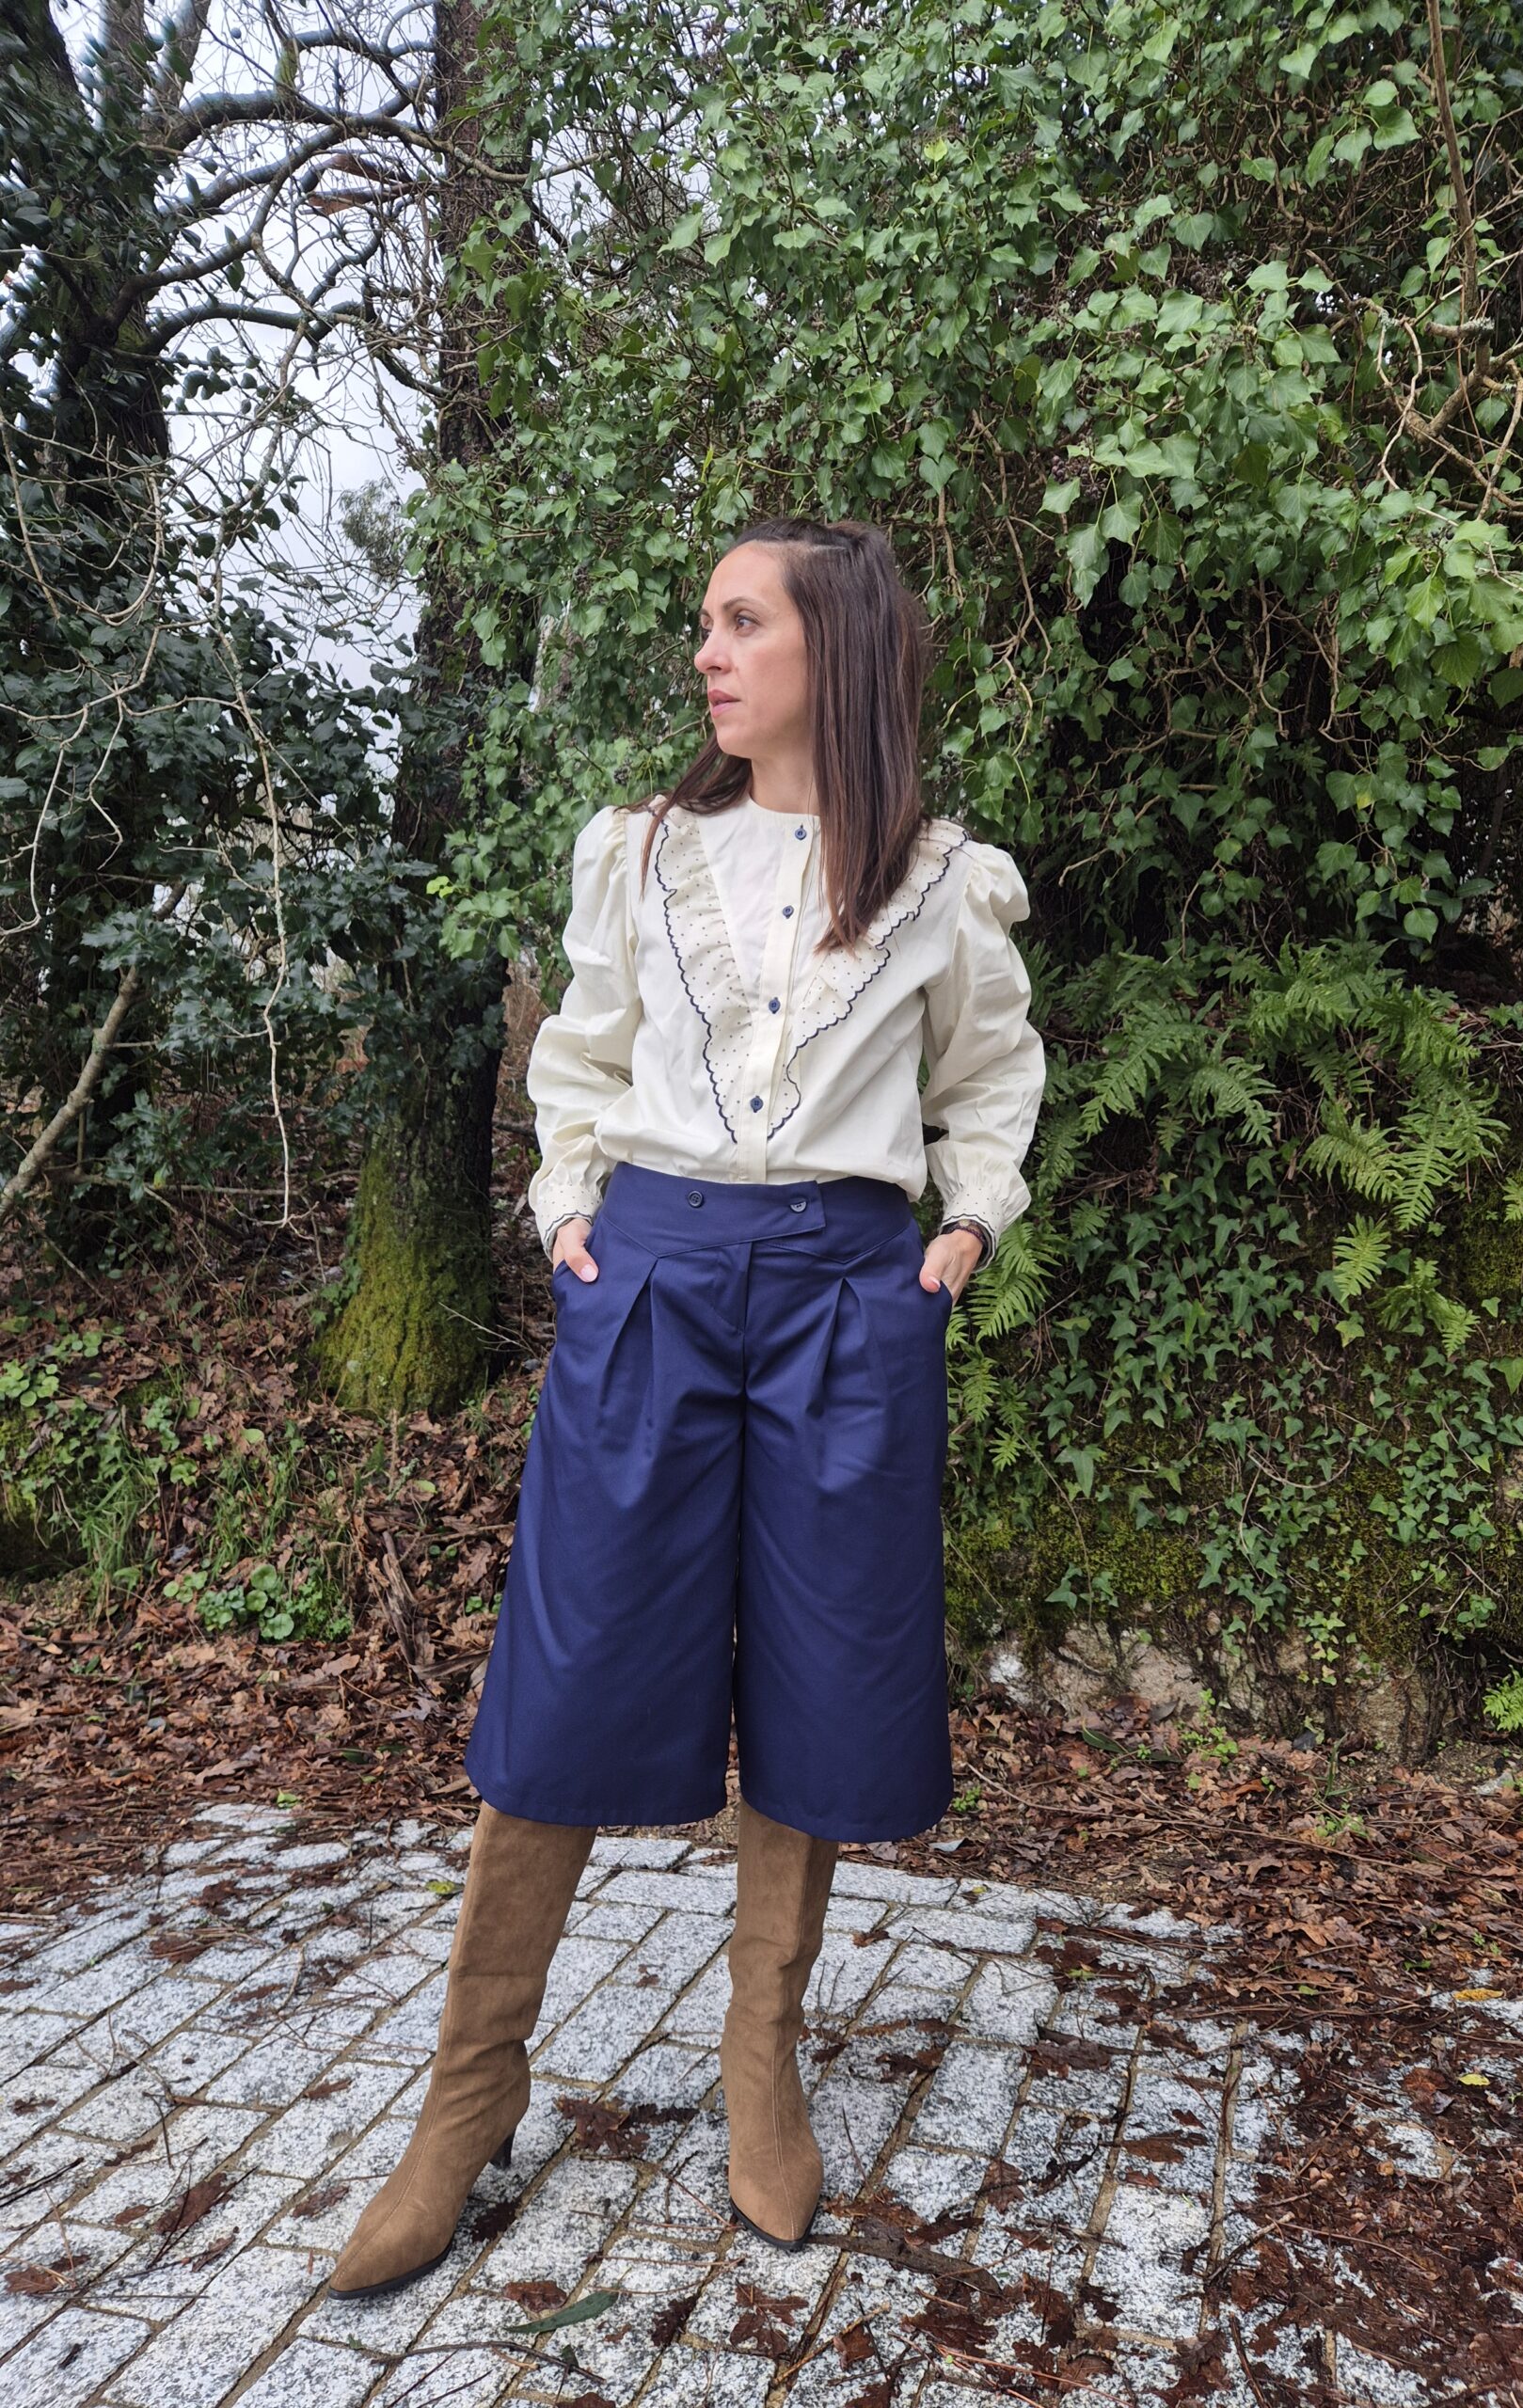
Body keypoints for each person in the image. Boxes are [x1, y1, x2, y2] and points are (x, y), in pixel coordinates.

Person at [327, 515, 1046, 2297]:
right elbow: (578, 1055)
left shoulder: (944, 882)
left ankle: (760, 2068)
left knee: (821, 1678)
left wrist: (963, 1226)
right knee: (567, 1666)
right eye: (704, 623)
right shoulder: (642, 851)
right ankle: (468, 2099)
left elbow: (990, 1074)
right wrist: (568, 1213)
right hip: (648, 1280)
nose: (708, 654)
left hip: (847, 1298)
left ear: (837, 648)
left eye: (741, 622)